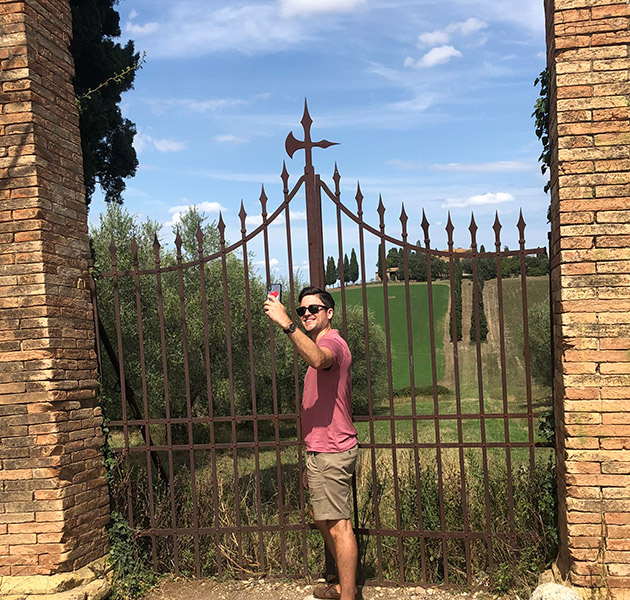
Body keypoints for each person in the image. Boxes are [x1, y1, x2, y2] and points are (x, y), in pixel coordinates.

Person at [264, 285, 359, 600]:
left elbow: (320, 360)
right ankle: (343, 584)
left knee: (340, 526)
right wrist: (311, 456)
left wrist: (286, 322)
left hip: (334, 450)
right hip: (320, 451)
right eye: (301, 310)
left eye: (313, 309)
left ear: (329, 313)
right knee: (322, 519)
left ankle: (348, 595)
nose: (306, 313)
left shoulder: (333, 343)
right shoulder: (318, 342)